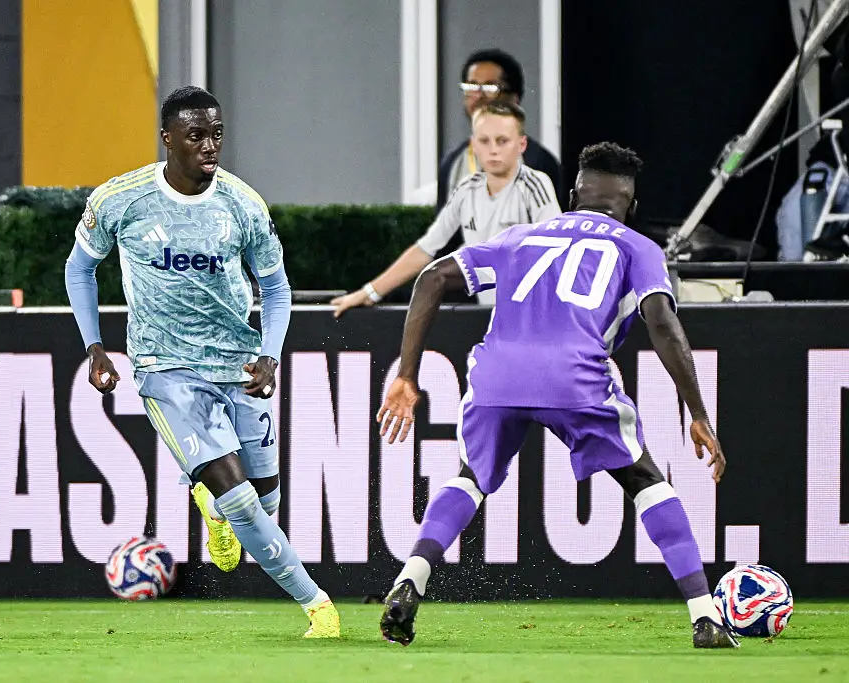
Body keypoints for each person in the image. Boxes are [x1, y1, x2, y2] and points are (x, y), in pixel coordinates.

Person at [375, 142, 739, 650]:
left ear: (572, 196)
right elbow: (661, 320)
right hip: (576, 375)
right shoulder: (637, 246)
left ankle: (410, 580)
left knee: (470, 477)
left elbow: (432, 277)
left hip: (498, 374)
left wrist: (407, 375)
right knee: (645, 480)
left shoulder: (520, 236)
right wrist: (697, 412)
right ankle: (705, 617)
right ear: (630, 207)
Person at [64, 85, 339, 638]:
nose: (209, 145)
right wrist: (94, 345)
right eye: (196, 136)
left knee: (265, 502)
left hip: (236, 366)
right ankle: (319, 608)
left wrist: (268, 353)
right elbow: (78, 269)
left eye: (216, 133)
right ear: (168, 140)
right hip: (167, 370)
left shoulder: (243, 204)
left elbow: (276, 287)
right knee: (241, 500)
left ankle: (212, 510)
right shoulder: (122, 200)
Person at [330, 102, 559, 315]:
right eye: (484, 141)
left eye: (502, 141)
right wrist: (369, 293)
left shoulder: (535, 186)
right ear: (473, 145)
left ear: (521, 145)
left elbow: (558, 250)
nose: (493, 150)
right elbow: (426, 249)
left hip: (534, 319)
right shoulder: (466, 189)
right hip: (488, 318)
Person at [438, 49, 563, 211]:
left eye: (490, 88)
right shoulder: (454, 163)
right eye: (472, 86)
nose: (478, 96)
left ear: (514, 99)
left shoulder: (538, 161)